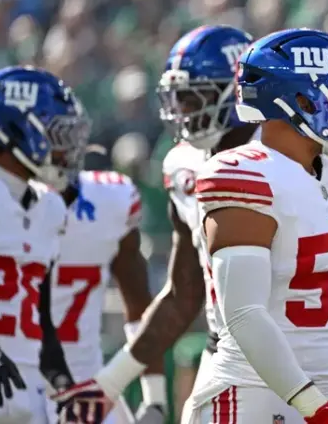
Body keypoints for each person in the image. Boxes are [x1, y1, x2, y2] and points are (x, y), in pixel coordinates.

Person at [183, 28, 328, 423]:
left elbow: (324, 291)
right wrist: (315, 407)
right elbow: (244, 314)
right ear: (301, 100)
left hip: (322, 388)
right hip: (251, 396)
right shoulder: (243, 173)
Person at [50, 25, 259, 423]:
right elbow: (183, 294)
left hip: (302, 349)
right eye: (175, 99)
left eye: (191, 97)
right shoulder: (185, 164)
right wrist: (110, 384)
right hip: (225, 356)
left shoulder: (283, 156)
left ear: (234, 93)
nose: (180, 112)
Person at [43, 87, 165, 423]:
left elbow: (140, 308)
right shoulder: (107, 198)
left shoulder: (109, 199)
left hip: (72, 388)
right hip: (84, 396)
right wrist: (155, 397)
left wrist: (154, 399)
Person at [0, 66, 74, 423]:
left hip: (26, 394)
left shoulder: (50, 208)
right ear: (18, 129)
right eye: (55, 132)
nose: (63, 147)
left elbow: (40, 314)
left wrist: (63, 383)